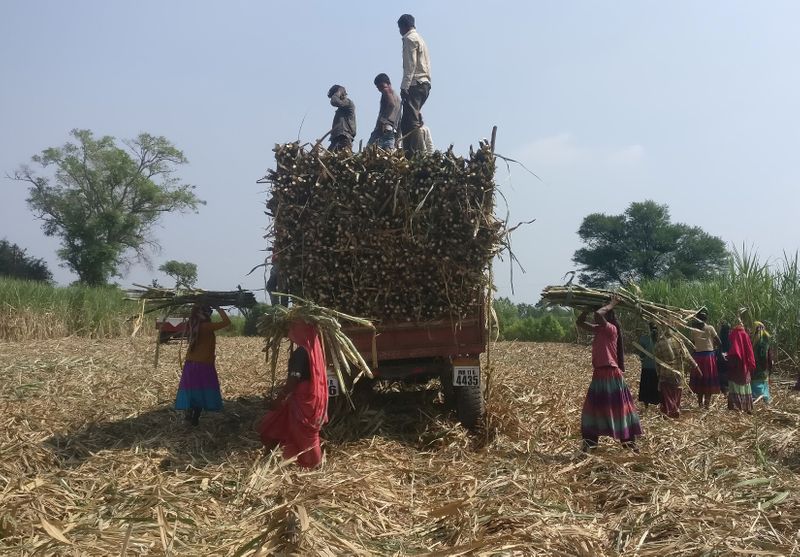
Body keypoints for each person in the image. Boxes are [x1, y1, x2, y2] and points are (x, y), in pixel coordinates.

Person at [259, 320, 328, 468]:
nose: (290, 332)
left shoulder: (300, 353)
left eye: (293, 328)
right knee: (276, 424)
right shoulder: (315, 351)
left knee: (306, 436)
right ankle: (266, 461)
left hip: (302, 401)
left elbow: (293, 380)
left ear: (300, 331)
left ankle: (315, 465)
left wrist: (280, 398)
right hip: (310, 398)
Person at [576, 296, 642, 451]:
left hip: (611, 374)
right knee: (592, 410)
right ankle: (590, 444)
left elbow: (598, 315)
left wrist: (612, 304)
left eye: (605, 312)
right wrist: (586, 310)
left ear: (608, 316)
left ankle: (629, 444)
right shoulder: (599, 329)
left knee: (620, 410)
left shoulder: (611, 329)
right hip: (599, 375)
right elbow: (580, 323)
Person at [175, 305, 231, 425]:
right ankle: (195, 417)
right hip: (203, 364)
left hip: (191, 364)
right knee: (201, 391)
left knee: (192, 390)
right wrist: (219, 308)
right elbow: (226, 322)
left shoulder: (193, 325)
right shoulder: (206, 326)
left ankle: (191, 414)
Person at [397, 14, 431, 155]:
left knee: (411, 121)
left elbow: (410, 65)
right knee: (406, 121)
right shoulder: (420, 39)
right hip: (425, 83)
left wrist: (404, 86)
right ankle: (408, 152)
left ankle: (418, 154)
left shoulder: (409, 39)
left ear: (403, 26)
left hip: (415, 83)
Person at [654, 326, 697, 419]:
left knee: (667, 394)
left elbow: (657, 361)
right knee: (677, 393)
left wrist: (658, 373)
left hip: (665, 374)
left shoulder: (659, 344)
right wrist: (695, 366)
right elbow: (687, 356)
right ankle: (674, 409)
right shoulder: (678, 341)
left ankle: (671, 411)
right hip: (678, 372)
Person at [688, 308, 721, 408]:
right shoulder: (710, 328)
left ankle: (700, 404)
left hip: (698, 357)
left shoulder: (694, 330)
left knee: (700, 379)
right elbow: (719, 341)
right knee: (708, 380)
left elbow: (692, 344)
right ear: (706, 319)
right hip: (708, 357)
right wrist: (714, 348)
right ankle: (707, 404)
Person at [727, 314, 756, 413]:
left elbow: (728, 350)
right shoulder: (745, 335)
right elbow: (749, 351)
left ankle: (736, 406)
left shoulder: (731, 335)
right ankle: (746, 406)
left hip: (733, 365)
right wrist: (751, 363)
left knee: (734, 384)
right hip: (744, 365)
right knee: (745, 384)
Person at [368, 73, 401, 150]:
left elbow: (391, 104)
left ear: (389, 83)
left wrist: (383, 121)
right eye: (378, 87)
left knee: (369, 150)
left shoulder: (386, 91)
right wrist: (399, 136)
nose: (380, 89)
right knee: (387, 152)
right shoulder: (397, 98)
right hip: (392, 130)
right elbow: (399, 118)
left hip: (384, 127)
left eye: (381, 86)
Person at [636, 323, 661, 409]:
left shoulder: (644, 339)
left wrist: (643, 357)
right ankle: (657, 403)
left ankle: (646, 405)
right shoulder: (660, 339)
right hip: (657, 368)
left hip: (647, 367)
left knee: (646, 386)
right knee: (656, 386)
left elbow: (641, 355)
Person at [327, 85, 356, 152]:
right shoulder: (341, 110)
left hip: (344, 138)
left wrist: (339, 92)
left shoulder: (348, 103)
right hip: (336, 139)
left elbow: (334, 101)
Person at [751, 321, 774, 404]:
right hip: (764, 369)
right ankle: (765, 400)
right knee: (763, 384)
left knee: (756, 385)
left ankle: (757, 400)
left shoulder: (753, 340)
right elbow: (769, 356)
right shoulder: (766, 339)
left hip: (755, 369)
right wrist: (769, 368)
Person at [716, 322, 731, 394]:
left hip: (720, 357)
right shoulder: (730, 337)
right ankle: (726, 388)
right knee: (726, 372)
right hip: (728, 357)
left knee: (721, 372)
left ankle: (723, 389)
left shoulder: (720, 337)